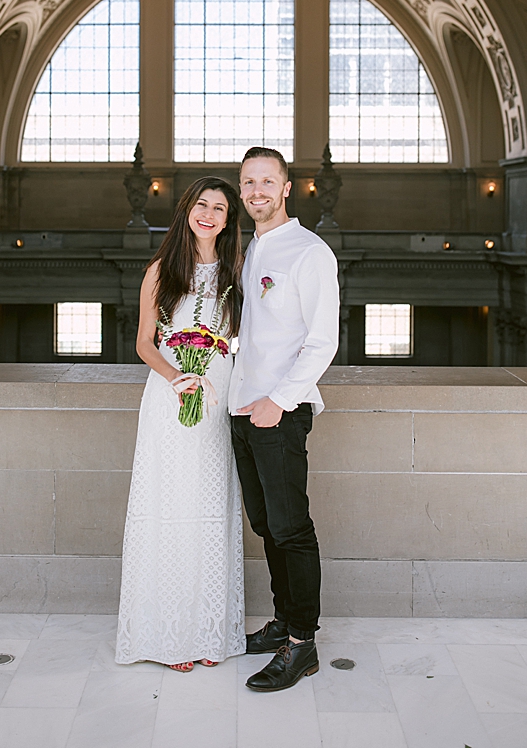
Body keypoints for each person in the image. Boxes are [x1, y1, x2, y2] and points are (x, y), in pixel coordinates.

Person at [116, 177, 247, 671]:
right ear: (187, 210)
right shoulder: (160, 269)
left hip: (220, 393)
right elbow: (145, 343)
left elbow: (238, 335)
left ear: (229, 219)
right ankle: (168, 635)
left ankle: (208, 630)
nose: (209, 214)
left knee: (211, 505)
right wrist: (178, 378)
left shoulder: (235, 271)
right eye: (201, 205)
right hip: (170, 396)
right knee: (170, 505)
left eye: (219, 208)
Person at [231, 146, 340, 692]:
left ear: (286, 188)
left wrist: (281, 400)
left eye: (266, 181)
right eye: (248, 183)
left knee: (292, 528)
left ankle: (303, 644)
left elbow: (323, 340)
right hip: (242, 409)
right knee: (266, 523)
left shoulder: (309, 252)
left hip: (281, 411)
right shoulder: (253, 249)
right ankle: (282, 623)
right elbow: (254, 332)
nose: (256, 192)